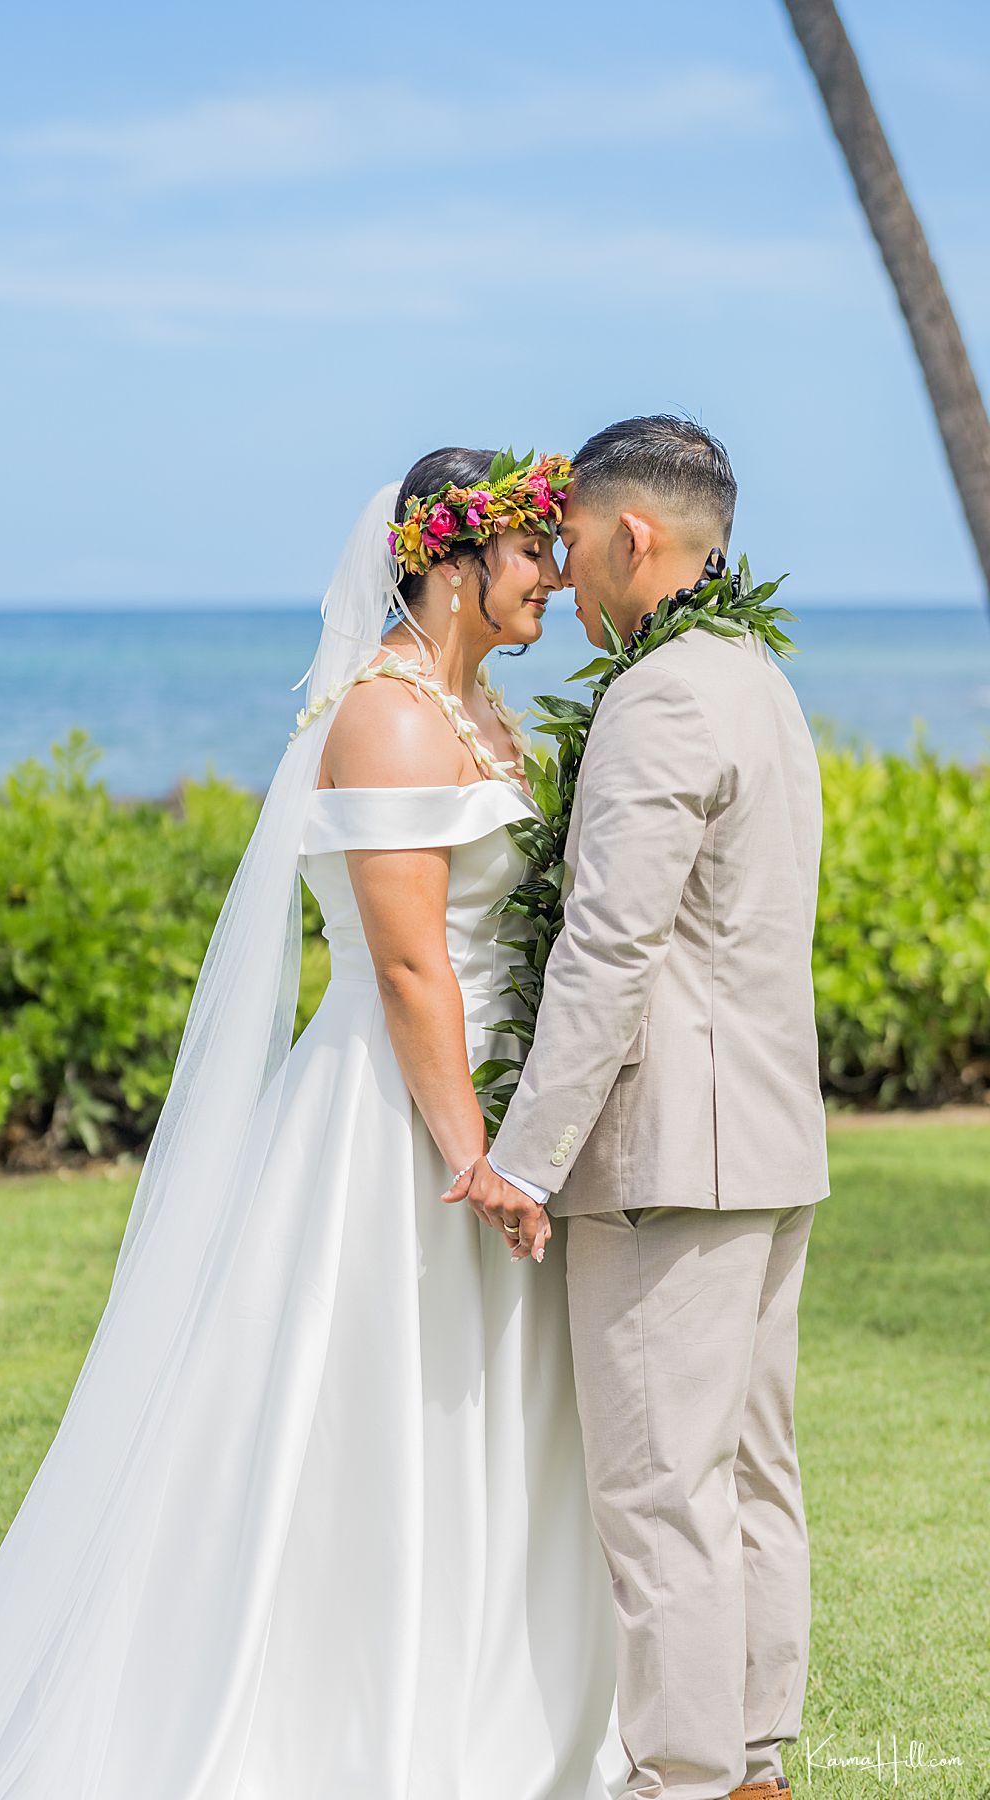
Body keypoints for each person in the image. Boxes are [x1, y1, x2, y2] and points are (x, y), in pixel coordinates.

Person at [0, 450, 627, 1799]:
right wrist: (471, 1152)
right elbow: (412, 969)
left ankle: (494, 1691)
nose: (554, 572)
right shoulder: (390, 721)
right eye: (531, 549)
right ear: (454, 560)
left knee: (487, 1412)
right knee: (365, 1413)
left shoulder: (487, 722)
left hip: (491, 1106)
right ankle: (346, 1712)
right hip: (397, 1121)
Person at [446, 416, 829, 1800]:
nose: (567, 576)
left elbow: (608, 951)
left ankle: (684, 1776)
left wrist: (525, 1159)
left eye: (575, 547)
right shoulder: (761, 679)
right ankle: (753, 1768)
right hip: (773, 1144)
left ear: (635, 539)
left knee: (661, 1491)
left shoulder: (659, 697)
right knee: (747, 1479)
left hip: (673, 1158)